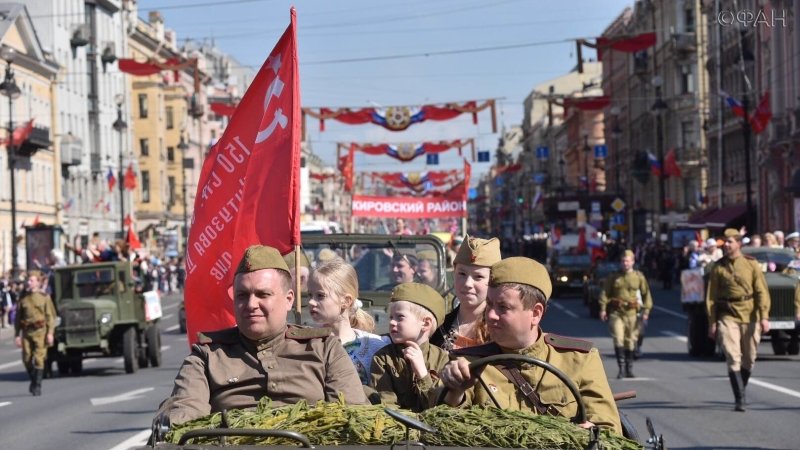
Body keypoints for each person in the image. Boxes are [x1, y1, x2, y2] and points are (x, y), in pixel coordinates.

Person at [158, 245, 368, 425]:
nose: (251, 304)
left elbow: (353, 416)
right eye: (242, 295)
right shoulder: (207, 356)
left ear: (289, 299)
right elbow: (186, 412)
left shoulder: (324, 348)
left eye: (263, 294)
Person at [438, 257, 621, 434]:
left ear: (535, 313)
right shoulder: (469, 362)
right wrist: (456, 392)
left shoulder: (579, 359)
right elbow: (445, 428)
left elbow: (609, 431)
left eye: (503, 307)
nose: (490, 315)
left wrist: (592, 433)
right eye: (489, 304)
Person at [706, 228, 771, 412]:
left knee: (749, 358)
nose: (726, 245)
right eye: (725, 242)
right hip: (728, 315)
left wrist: (764, 316)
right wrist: (712, 322)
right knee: (733, 356)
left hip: (750, 314)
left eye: (730, 242)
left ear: (739, 243)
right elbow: (711, 297)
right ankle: (740, 398)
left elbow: (761, 291)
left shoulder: (751, 264)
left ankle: (741, 388)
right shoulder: (718, 267)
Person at [307, 259, 388, 385]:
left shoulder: (376, 347)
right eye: (309, 295)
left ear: (346, 301)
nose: (311, 302)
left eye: (320, 296)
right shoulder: (305, 344)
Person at [370, 282, 449, 412]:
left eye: (400, 317)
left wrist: (422, 374)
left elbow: (441, 407)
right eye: (391, 317)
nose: (392, 322)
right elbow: (387, 404)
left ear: (426, 323)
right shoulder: (383, 358)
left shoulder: (441, 359)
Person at [430, 235, 501, 351]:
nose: (468, 284)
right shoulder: (438, 327)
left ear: (493, 280)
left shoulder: (501, 330)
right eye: (462, 274)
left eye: (478, 277)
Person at [598, 250, 653, 377]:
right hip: (616, 313)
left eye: (627, 261)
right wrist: (603, 309)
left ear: (633, 262)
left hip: (632, 313)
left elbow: (646, 294)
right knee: (618, 338)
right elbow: (605, 293)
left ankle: (629, 368)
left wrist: (646, 310)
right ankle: (621, 368)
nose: (625, 263)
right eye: (623, 261)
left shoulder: (638, 277)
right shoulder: (614, 277)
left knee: (630, 340)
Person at [13, 270, 56, 396]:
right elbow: (18, 318)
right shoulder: (23, 298)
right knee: (26, 359)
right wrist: (17, 335)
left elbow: (50, 316)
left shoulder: (44, 297)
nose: (29, 282)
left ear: (38, 282)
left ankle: (37, 386)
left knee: (39, 358)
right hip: (27, 332)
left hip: (40, 332)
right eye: (28, 280)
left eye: (32, 280)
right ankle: (34, 379)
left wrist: (50, 333)